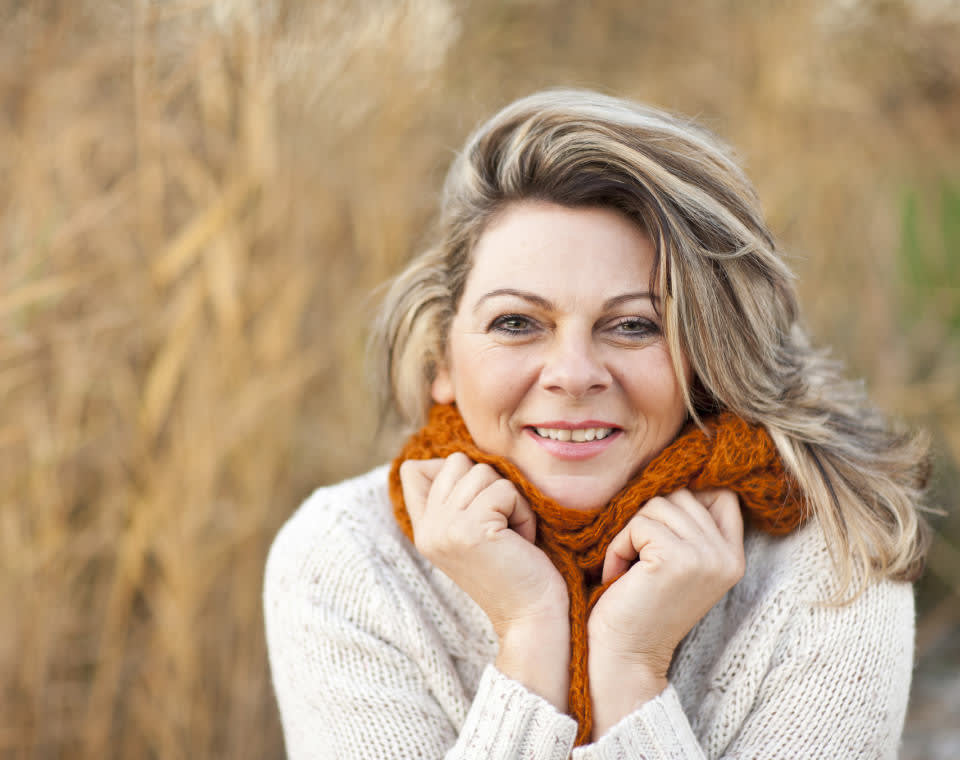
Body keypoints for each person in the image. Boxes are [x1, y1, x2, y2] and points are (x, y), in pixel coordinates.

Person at [263, 89, 930, 759]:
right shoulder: (349, 557)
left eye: (634, 325)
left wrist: (632, 668)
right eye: (516, 323)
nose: (574, 374)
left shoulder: (836, 565)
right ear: (441, 356)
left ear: (709, 356)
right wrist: (529, 636)